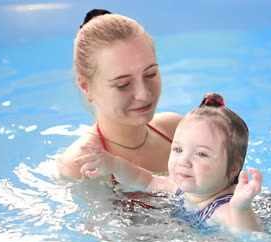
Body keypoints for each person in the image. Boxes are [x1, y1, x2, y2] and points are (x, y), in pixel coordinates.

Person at [74, 93, 263, 232]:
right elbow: (145, 179)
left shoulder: (222, 208)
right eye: (178, 150)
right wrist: (113, 164)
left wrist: (241, 209)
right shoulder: (180, 186)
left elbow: (250, 238)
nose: (184, 161)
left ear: (233, 168)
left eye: (201, 154)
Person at [57, 9, 182, 181]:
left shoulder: (175, 131)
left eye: (150, 74)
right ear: (86, 87)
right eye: (123, 85)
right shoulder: (81, 165)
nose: (144, 95)